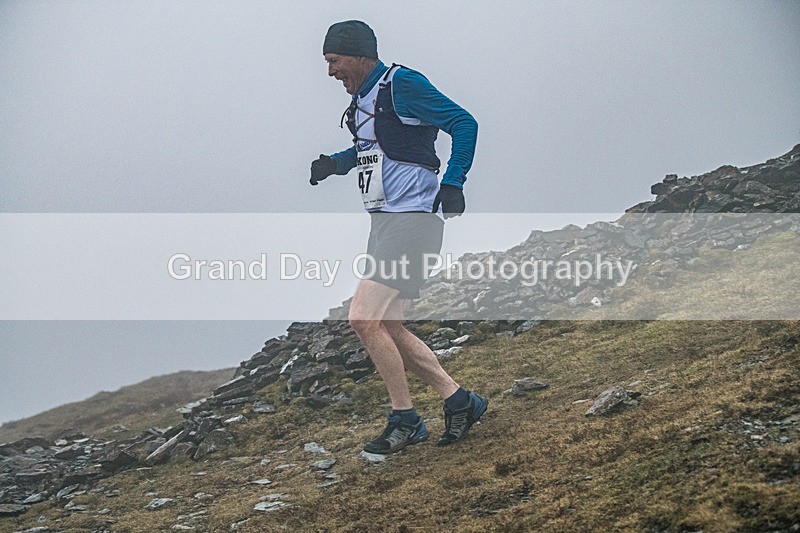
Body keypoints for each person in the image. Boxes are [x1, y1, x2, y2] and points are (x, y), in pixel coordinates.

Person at [310, 20, 486, 454]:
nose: (331, 72)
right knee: (388, 323)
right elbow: (372, 147)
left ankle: (404, 418)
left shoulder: (400, 84)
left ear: (359, 55)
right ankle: (459, 400)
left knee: (362, 319)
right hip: (385, 223)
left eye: (335, 61)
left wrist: (454, 181)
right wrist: (335, 163)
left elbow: (464, 123)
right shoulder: (364, 100)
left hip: (413, 221)